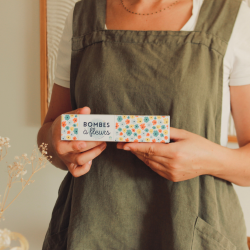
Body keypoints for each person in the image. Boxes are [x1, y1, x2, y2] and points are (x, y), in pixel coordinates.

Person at [37, 0, 250, 249]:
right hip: (90, 229)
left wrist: (207, 160)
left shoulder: (231, 16)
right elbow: (48, 136)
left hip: (192, 231)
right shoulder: (82, 15)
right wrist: (56, 140)